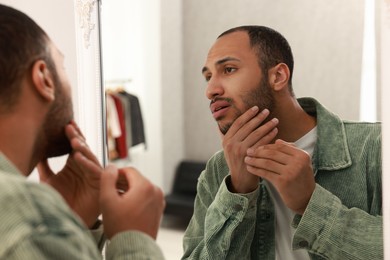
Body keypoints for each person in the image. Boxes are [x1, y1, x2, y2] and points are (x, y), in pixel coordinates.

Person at [182, 25, 382, 259]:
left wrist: (310, 204)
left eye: (228, 69)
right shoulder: (218, 169)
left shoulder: (376, 147)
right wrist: (237, 192)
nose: (210, 90)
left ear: (277, 76)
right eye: (208, 77)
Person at [0, 4, 165, 259]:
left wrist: (71, 224)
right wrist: (135, 241)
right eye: (62, 66)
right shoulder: (27, 218)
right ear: (44, 79)